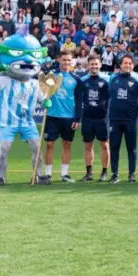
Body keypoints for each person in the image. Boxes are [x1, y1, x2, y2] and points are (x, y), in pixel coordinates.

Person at [42, 51, 84, 183]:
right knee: (49, 144)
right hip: (52, 116)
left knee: (67, 144)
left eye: (69, 60)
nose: (66, 63)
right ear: (59, 60)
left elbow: (79, 100)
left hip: (68, 118)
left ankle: (64, 174)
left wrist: (77, 118)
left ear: (72, 62)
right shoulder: (51, 76)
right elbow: (43, 92)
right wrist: (44, 100)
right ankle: (48, 174)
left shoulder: (76, 79)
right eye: (64, 60)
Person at [108, 55, 138, 184]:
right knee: (114, 147)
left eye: (130, 63)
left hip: (131, 119)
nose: (127, 65)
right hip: (114, 119)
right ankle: (114, 174)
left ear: (133, 65)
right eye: (125, 63)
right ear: (121, 65)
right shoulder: (113, 78)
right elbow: (108, 94)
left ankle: (131, 174)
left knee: (131, 148)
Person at [80, 54, 110, 182]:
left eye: (96, 64)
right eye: (92, 64)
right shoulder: (83, 81)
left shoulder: (107, 80)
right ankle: (89, 173)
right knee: (88, 146)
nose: (94, 66)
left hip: (102, 118)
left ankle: (104, 172)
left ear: (100, 65)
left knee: (104, 145)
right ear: (88, 65)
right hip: (87, 118)